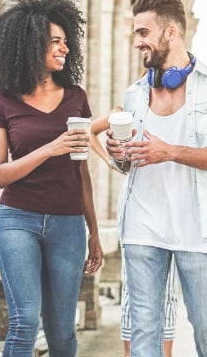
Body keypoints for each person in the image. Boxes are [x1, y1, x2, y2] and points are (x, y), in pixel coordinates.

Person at [106, 0, 207, 357]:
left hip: (196, 228)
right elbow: (130, 163)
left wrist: (168, 151)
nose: (137, 42)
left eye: (143, 32)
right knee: (143, 328)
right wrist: (118, 155)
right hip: (141, 225)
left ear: (171, 32)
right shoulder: (136, 94)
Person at [0, 0, 103, 356]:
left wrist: (94, 232)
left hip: (68, 224)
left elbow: (82, 171)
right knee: (24, 322)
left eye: (66, 42)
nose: (64, 48)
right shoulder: (0, 102)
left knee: (62, 332)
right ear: (30, 43)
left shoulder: (75, 97)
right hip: (17, 220)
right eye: (55, 41)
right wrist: (51, 148)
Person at [89, 107, 179, 357]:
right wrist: (111, 163)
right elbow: (88, 131)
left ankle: (164, 353)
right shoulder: (127, 108)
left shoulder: (179, 108)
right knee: (133, 284)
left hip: (170, 201)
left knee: (169, 286)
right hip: (137, 199)